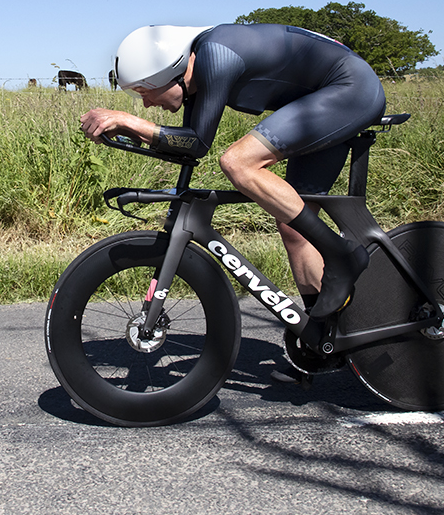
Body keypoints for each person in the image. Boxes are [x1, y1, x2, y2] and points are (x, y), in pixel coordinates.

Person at [79, 22, 386, 320]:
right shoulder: (195, 76)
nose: (145, 104)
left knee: (238, 161)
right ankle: (322, 337)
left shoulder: (215, 54)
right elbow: (189, 146)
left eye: (145, 91)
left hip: (350, 89)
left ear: (173, 74)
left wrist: (130, 121)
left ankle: (342, 255)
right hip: (323, 99)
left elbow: (197, 142)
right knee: (294, 226)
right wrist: (131, 132)